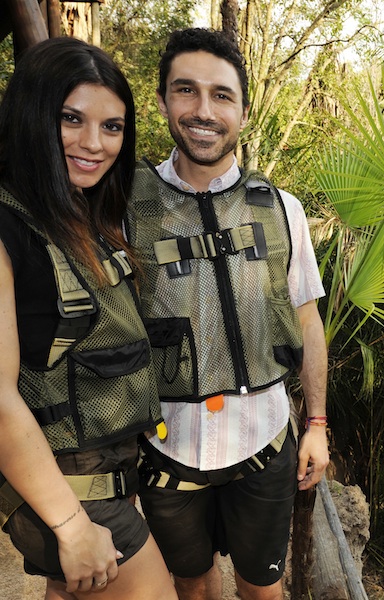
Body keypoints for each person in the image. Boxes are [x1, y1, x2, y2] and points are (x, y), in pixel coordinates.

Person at [127, 28, 329, 600]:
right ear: (164, 100)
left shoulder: (280, 209)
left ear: (242, 109)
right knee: (190, 586)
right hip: (166, 450)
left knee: (261, 591)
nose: (203, 110)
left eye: (221, 95)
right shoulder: (125, 209)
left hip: (264, 444)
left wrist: (316, 424)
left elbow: (307, 319)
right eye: (186, 90)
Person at [0, 37, 176, 599]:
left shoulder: (79, 214)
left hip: (99, 477)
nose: (93, 144)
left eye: (112, 127)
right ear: (32, 116)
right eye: (71, 119)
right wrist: (72, 526)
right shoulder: (10, 228)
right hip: (67, 495)